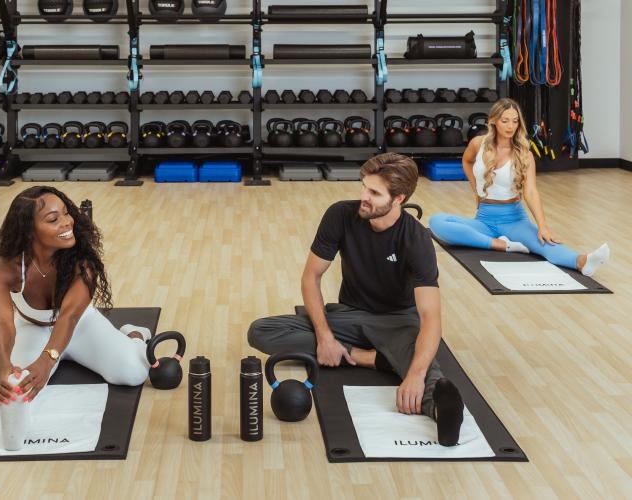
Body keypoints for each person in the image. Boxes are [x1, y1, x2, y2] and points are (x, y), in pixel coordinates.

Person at [248, 153, 464, 447]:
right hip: (348, 316)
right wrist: (325, 337)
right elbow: (311, 278)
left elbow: (430, 318)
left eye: (374, 193)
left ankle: (441, 409)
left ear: (398, 198)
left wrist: (414, 375)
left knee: (422, 368)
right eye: (364, 187)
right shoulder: (340, 215)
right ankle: (377, 359)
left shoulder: (416, 239)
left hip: (397, 321)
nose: (363, 197)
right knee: (261, 331)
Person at [0, 186, 151, 408]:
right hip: (34, 329)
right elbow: (2, 322)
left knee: (134, 373)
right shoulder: (1, 270)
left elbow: (70, 317)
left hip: (82, 324)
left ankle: (135, 335)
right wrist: (3, 366)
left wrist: (46, 362)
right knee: (18, 388)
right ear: (29, 231)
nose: (67, 222)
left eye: (66, 212)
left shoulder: (83, 263)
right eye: (53, 219)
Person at [429, 98, 609, 276]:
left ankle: (582, 261)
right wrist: (476, 189)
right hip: (483, 219)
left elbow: (530, 192)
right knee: (436, 222)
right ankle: (501, 244)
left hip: (514, 219)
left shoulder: (524, 154)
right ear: (493, 121)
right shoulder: (478, 144)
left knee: (544, 243)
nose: (510, 126)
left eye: (515, 121)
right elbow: (467, 161)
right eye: (505, 120)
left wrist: (542, 226)